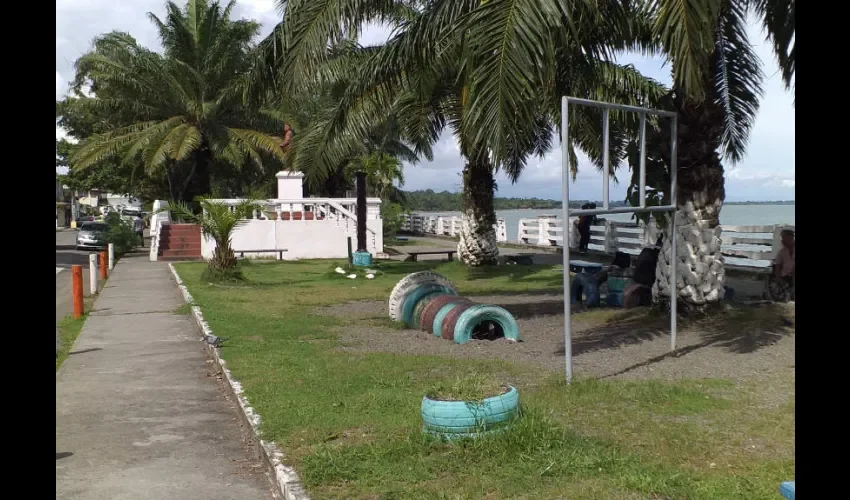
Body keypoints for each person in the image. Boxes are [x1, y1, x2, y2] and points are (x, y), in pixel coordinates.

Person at [771, 229, 795, 299]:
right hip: (786, 274)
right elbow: (777, 266)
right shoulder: (781, 252)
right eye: (783, 238)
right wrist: (778, 278)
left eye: (786, 238)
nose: (783, 240)